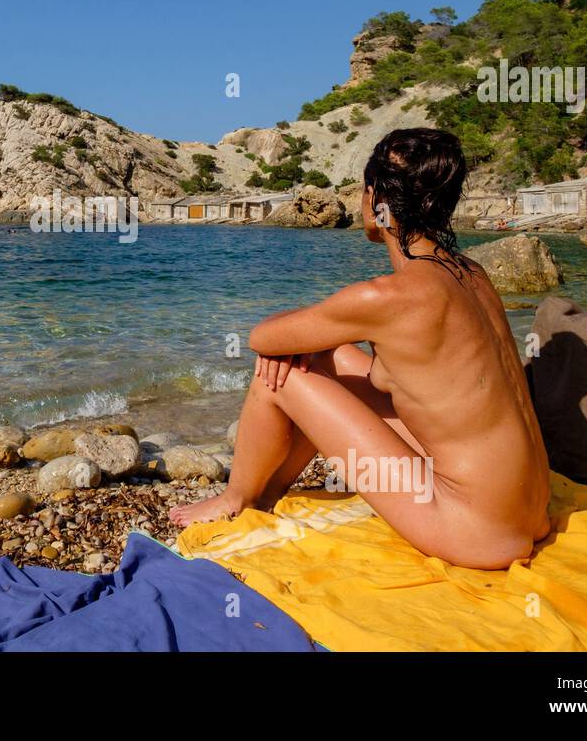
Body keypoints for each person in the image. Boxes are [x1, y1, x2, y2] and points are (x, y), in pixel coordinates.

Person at [170, 128, 551, 570]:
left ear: (375, 199)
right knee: (326, 354)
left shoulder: (389, 297)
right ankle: (267, 491)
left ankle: (237, 497)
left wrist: (295, 340)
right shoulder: (473, 274)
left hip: (473, 531)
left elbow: (262, 338)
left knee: (280, 369)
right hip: (529, 512)